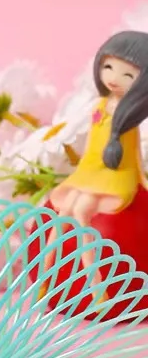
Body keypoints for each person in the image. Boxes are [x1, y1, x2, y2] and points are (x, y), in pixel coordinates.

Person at [44, 30, 148, 291]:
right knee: (65, 208)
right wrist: (81, 170)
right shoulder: (99, 107)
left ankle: (96, 284)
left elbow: (135, 154)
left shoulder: (129, 119)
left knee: (82, 211)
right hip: (90, 171)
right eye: (108, 67)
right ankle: (46, 273)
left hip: (116, 175)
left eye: (128, 75)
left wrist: (142, 180)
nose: (114, 78)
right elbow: (92, 145)